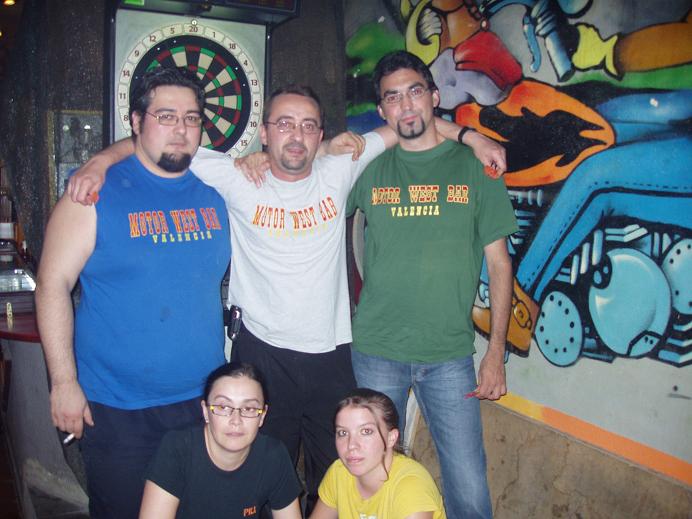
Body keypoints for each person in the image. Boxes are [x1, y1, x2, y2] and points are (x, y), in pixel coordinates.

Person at [68, 81, 506, 512]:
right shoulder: (234, 176)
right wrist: (99, 162)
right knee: (259, 480)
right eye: (284, 124)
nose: (296, 135)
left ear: (321, 135)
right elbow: (157, 140)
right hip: (262, 355)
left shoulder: (339, 169)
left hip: (331, 355)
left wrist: (472, 137)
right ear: (264, 132)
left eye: (308, 126)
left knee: (338, 479)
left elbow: (407, 120)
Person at [35, 67, 231, 518]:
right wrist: (63, 383)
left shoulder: (218, 189)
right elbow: (51, 285)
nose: (181, 129)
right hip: (118, 408)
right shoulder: (93, 193)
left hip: (201, 403)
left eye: (192, 118)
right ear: (137, 121)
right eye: (166, 116)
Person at [346, 50, 518, 519]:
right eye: (393, 98)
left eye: (415, 92)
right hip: (377, 350)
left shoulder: (477, 167)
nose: (406, 105)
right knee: (374, 481)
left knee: (469, 487)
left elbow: (500, 265)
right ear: (381, 111)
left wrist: (495, 353)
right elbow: (310, 176)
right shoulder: (368, 167)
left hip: (448, 356)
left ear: (435, 97)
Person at [140, 362, 302, 519]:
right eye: (223, 407)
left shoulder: (273, 456)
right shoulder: (178, 449)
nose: (236, 420)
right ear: (205, 411)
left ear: (262, 416)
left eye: (249, 408)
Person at [310, 388, 446, 519]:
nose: (351, 445)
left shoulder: (411, 488)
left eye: (366, 431)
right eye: (343, 432)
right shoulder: (339, 472)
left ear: (391, 438)